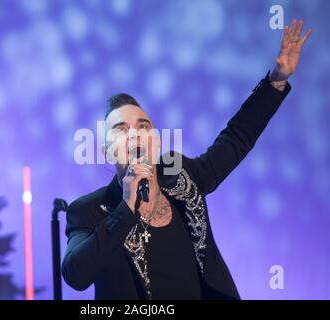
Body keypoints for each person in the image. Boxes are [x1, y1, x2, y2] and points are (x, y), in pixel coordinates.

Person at [62, 20, 312, 299]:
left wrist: (276, 81)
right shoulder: (89, 210)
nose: (135, 134)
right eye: (121, 129)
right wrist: (126, 208)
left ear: (156, 140)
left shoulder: (180, 175)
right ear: (106, 151)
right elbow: (76, 274)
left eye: (143, 126)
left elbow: (235, 138)